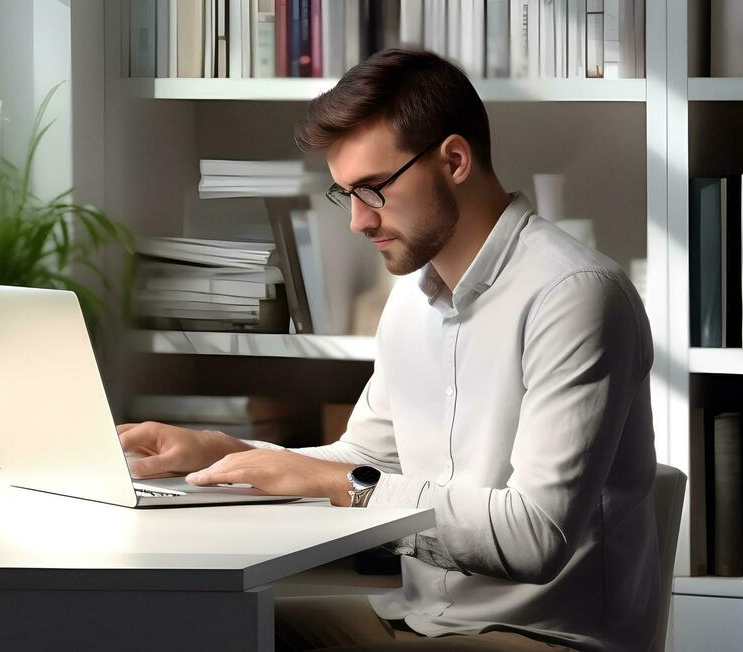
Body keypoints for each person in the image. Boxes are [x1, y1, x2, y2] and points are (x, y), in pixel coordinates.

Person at [119, 49, 658, 651]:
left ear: (454, 160)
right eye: (344, 193)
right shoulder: (410, 300)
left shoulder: (575, 296)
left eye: (372, 189)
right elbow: (363, 459)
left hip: (541, 636)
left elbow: (535, 537)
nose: (356, 221)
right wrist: (224, 453)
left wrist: (330, 479)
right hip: (415, 617)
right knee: (193, 630)